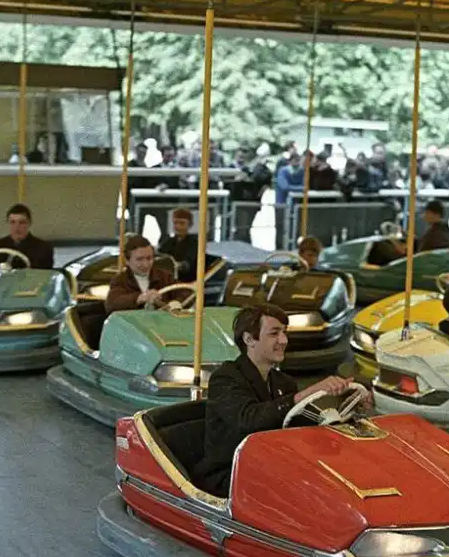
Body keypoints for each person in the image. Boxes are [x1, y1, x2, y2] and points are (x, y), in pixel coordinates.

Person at [194, 304, 355, 497]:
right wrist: (306, 393)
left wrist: (346, 413)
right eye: (274, 333)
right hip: (230, 473)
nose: (284, 340)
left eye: (284, 332)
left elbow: (301, 424)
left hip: (269, 465)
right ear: (249, 339)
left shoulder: (283, 382)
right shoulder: (225, 378)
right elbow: (248, 420)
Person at [105, 234, 175, 315]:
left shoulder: (165, 277)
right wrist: (139, 298)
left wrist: (176, 302)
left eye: (149, 258)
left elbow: (183, 292)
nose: (146, 264)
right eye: (139, 259)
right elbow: (111, 304)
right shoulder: (120, 280)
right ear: (127, 261)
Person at [0, 204, 53, 268]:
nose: (17, 226)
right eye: (12, 222)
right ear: (8, 223)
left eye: (22, 222)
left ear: (29, 223)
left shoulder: (44, 249)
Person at [159, 208, 198, 283]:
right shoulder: (168, 242)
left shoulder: (194, 243)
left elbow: (188, 264)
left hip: (187, 282)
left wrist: (177, 265)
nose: (178, 226)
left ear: (190, 225)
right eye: (175, 223)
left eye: (182, 223)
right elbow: (160, 254)